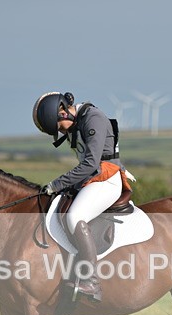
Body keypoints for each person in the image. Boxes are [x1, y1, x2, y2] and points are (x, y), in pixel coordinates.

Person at [32, 91, 133, 302]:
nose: (61, 131)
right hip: (92, 178)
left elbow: (90, 164)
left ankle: (91, 281)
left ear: (63, 112)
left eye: (59, 127)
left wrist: (57, 184)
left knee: (74, 217)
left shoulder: (92, 118)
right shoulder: (77, 123)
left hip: (107, 178)